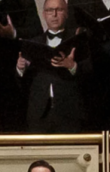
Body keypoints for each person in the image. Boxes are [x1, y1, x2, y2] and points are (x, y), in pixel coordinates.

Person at [16, 0, 89, 133]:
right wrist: (20, 68)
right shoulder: (32, 43)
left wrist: (72, 66)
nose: (54, 14)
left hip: (70, 113)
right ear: (44, 14)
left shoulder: (79, 39)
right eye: (50, 10)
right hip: (38, 114)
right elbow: (21, 84)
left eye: (59, 10)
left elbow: (91, 75)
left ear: (66, 13)